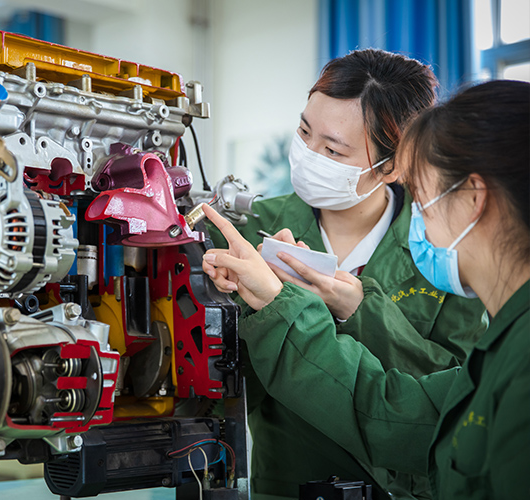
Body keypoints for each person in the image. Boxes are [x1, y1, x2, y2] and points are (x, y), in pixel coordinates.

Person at [203, 79, 530, 500]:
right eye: (304, 134)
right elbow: (390, 408)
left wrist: (287, 306)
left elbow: (398, 414)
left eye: (422, 197)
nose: (420, 221)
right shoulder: (508, 344)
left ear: (472, 199)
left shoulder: (513, 353)